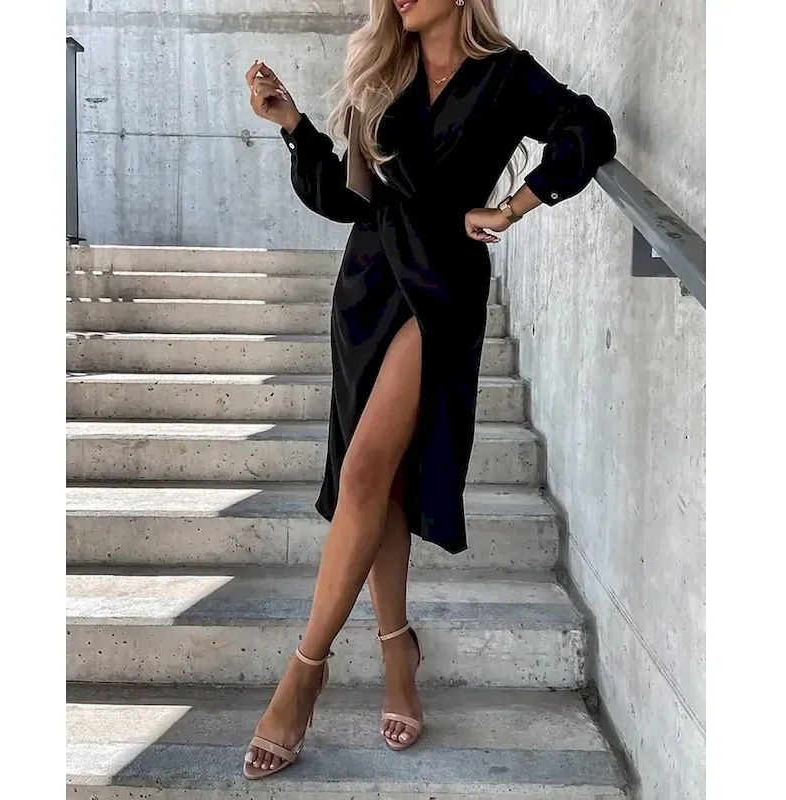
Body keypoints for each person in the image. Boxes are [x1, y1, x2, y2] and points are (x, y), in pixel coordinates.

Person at [242, 0, 616, 779]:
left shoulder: (507, 76)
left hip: (441, 290)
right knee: (382, 483)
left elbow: (588, 131)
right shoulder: (386, 71)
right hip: (367, 289)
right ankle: (397, 651)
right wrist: (292, 125)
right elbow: (350, 198)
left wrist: (512, 206)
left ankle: (303, 673)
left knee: (363, 472)